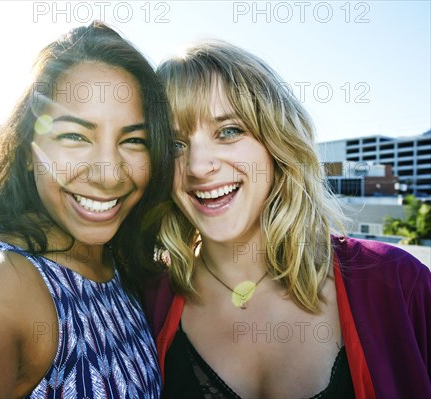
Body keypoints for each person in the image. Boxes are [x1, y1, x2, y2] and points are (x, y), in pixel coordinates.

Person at [0, 21, 174, 398]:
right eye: (75, 136)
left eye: (134, 140)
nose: (109, 175)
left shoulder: (120, 267)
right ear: (29, 151)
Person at [143, 40, 431, 399]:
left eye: (228, 131)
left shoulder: (398, 284)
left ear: (276, 143)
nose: (199, 166)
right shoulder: (146, 302)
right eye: (175, 145)